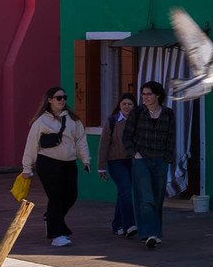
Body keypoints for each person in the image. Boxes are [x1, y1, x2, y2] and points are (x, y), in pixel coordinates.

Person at [20, 86, 91, 248]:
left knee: (71, 195)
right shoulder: (41, 121)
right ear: (50, 100)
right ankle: (57, 235)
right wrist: (27, 168)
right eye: (58, 98)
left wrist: (85, 159)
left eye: (64, 97)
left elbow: (81, 140)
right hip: (48, 162)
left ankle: (51, 219)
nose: (62, 100)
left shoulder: (74, 120)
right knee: (55, 197)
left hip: (69, 162)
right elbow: (31, 145)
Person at [131, 78, 177, 249]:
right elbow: (127, 137)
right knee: (146, 196)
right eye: (143, 94)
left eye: (148, 94)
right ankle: (148, 233)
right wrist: (135, 154)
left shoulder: (168, 114)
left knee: (157, 196)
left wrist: (167, 157)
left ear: (157, 95)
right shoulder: (137, 113)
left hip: (161, 160)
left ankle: (155, 233)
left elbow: (171, 137)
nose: (145, 97)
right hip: (141, 160)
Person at [98, 90, 139, 236]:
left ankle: (117, 224)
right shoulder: (112, 121)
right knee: (126, 190)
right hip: (116, 162)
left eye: (130, 104)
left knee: (123, 193)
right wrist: (101, 167)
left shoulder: (138, 121)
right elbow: (104, 144)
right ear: (119, 105)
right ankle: (130, 225)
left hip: (133, 161)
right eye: (124, 104)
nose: (127, 107)